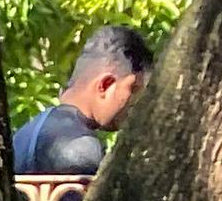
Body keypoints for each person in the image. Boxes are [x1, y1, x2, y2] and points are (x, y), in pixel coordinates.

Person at [12, 23, 153, 178]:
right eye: (133, 89)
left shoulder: (26, 133)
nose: (136, 103)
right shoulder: (81, 148)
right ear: (105, 85)